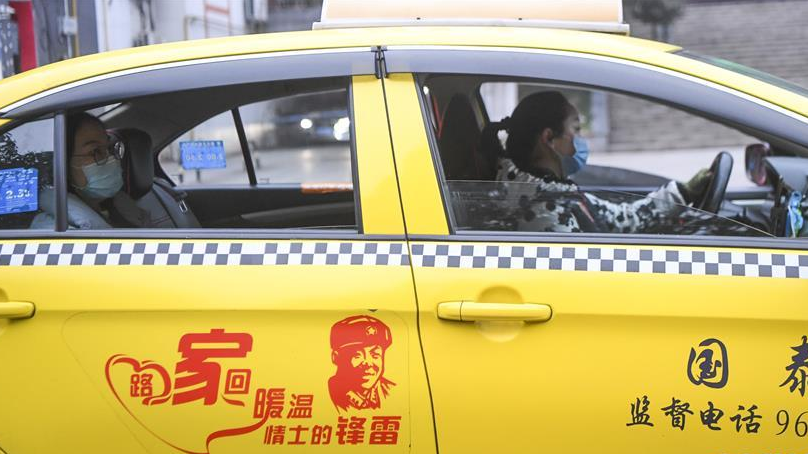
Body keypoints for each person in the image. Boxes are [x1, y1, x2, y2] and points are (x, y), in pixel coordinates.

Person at [491, 91, 712, 233]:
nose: (582, 138)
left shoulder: (556, 193)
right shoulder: (545, 212)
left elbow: (622, 218)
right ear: (549, 139)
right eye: (576, 129)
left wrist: (682, 193)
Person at [31, 112, 154, 229]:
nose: (111, 159)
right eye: (95, 151)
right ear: (63, 164)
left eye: (109, 148)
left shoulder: (121, 205)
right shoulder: (55, 231)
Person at [328, 315, 395, 412]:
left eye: (375, 355)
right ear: (336, 357)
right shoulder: (325, 394)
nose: (368, 363)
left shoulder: (392, 390)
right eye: (357, 355)